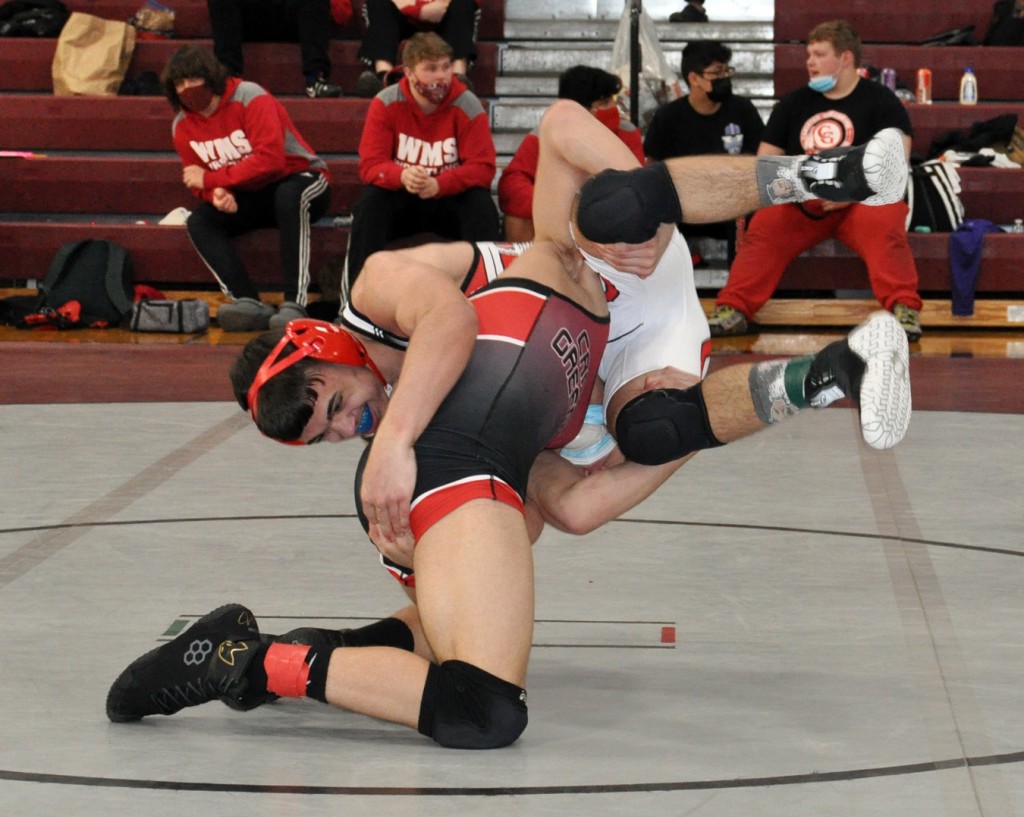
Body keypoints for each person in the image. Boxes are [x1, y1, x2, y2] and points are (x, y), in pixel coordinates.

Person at [106, 99, 912, 748]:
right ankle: (250, 664)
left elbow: (558, 480)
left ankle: (828, 188)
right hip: (468, 470)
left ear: (330, 352)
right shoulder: (425, 395)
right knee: (481, 703)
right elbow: (489, 408)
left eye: (339, 406)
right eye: (332, 432)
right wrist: (393, 452)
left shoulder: (395, 294)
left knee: (642, 385)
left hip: (496, 439)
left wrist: (391, 446)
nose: (352, 424)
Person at [704, 19, 924, 341]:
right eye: (809, 54)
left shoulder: (880, 100)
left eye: (819, 54)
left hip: (860, 201)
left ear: (845, 58)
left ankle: (904, 309)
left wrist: (854, 189)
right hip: (803, 201)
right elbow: (765, 162)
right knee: (765, 223)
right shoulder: (794, 103)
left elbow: (898, 157)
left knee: (885, 216)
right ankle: (734, 309)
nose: (809, 62)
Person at [161, 45, 333, 332]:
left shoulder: (250, 96)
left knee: (289, 196)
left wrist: (213, 181)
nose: (187, 88)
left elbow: (270, 161)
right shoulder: (181, 125)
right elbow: (196, 179)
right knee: (200, 221)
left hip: (300, 178)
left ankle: (294, 303)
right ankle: (246, 301)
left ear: (211, 77)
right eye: (179, 83)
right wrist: (216, 195)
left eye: (193, 79)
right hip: (249, 193)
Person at [344, 31, 500, 293]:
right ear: (408, 72)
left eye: (446, 67)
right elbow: (371, 165)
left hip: (449, 198)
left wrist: (440, 184)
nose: (441, 76)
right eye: (430, 69)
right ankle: (356, 302)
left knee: (481, 205)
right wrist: (401, 176)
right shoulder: (386, 102)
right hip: (402, 196)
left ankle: (490, 294)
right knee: (370, 203)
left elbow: (483, 168)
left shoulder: (467, 104)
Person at [644, 40, 764, 267]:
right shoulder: (669, 117)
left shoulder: (743, 110)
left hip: (731, 203)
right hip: (686, 205)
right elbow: (653, 166)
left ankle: (739, 281)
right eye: (717, 73)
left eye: (727, 70)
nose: (725, 77)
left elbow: (758, 159)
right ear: (694, 79)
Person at [498, 65, 645, 243]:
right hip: (559, 219)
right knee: (517, 217)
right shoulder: (545, 135)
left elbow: (638, 186)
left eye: (612, 100)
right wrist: (555, 208)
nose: (614, 108)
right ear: (581, 111)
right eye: (605, 103)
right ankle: (525, 268)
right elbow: (512, 185)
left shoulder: (626, 132)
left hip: (606, 219)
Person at [205, 0, 348, 98]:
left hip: (293, 20)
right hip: (247, 19)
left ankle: (315, 79)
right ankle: (228, 78)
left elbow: (342, 13)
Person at [355, 0, 479, 97]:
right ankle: (383, 78)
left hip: (443, 13)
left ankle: (458, 79)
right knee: (378, 4)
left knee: (464, 4)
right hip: (401, 14)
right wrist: (417, 9)